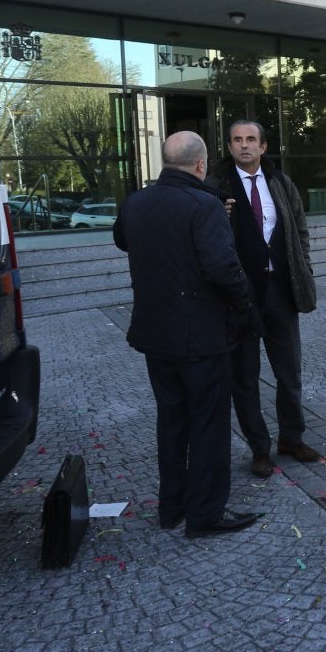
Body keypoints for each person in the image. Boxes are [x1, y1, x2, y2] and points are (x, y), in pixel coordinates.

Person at [113, 131, 262, 536]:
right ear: (200, 165)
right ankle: (205, 514)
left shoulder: (136, 203)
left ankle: (172, 507)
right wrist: (244, 305)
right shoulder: (204, 204)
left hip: (155, 335)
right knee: (209, 425)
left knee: (172, 421)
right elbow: (223, 269)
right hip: (202, 337)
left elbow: (122, 239)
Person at [209, 119, 324, 477]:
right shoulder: (215, 187)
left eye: (251, 140)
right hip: (239, 298)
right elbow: (208, 240)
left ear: (263, 146)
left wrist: (302, 267)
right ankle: (259, 448)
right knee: (245, 377)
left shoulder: (281, 183)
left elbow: (300, 230)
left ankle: (291, 437)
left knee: (289, 372)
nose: (244, 145)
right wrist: (219, 214)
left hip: (280, 292)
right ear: (229, 147)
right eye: (237, 140)